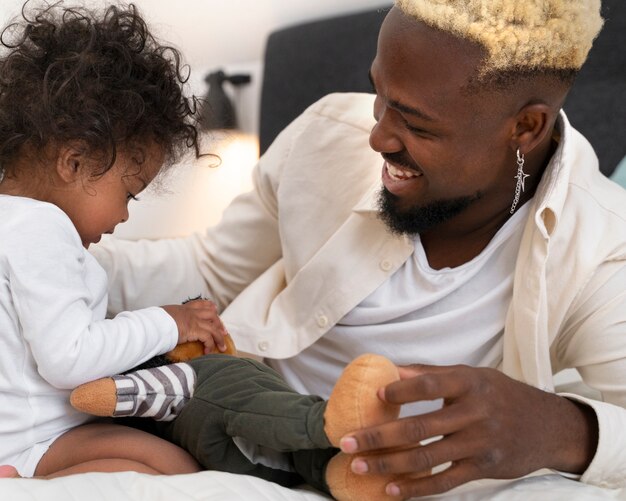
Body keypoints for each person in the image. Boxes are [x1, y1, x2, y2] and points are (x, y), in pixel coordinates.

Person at [91, 0, 626, 498]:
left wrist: (563, 429)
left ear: (525, 127)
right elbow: (209, 270)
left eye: (415, 123)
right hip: (235, 424)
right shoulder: (327, 135)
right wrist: (56, 264)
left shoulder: (601, 248)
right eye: (381, 98)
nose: (379, 138)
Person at [0, 2, 230, 479]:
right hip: (33, 439)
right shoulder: (41, 227)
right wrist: (171, 322)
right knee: (173, 466)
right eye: (129, 193)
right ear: (75, 161)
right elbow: (70, 359)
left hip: (22, 434)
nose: (124, 216)